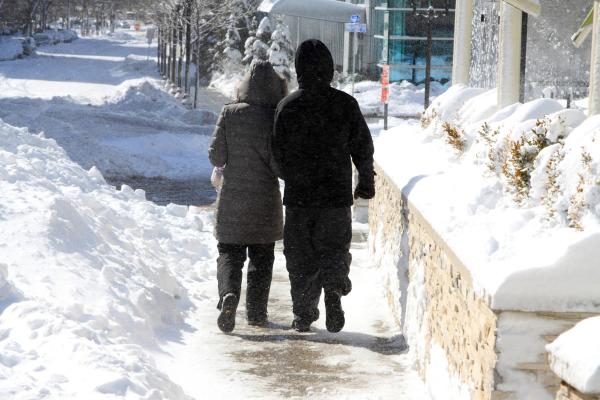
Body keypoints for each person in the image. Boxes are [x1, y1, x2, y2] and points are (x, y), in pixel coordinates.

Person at [272, 39, 375, 333]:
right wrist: (365, 181)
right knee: (334, 250)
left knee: (300, 257)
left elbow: (276, 154)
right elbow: (362, 147)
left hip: (299, 199)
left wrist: (293, 176)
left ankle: (303, 314)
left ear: (299, 68)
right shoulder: (345, 104)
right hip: (335, 198)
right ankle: (332, 290)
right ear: (329, 68)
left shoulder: (287, 107)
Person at [208, 61, 288, 333]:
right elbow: (281, 166)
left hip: (233, 200)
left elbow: (216, 156)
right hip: (265, 202)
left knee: (229, 253)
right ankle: (255, 313)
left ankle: (228, 294)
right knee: (262, 258)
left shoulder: (229, 113)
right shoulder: (276, 117)